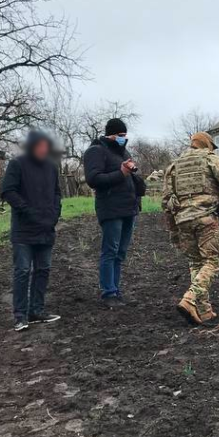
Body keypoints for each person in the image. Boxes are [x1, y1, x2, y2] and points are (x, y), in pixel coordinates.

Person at [162, 132, 219, 325]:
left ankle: (205, 311)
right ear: (207, 145)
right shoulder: (211, 159)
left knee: (196, 264)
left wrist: (173, 230)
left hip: (182, 220)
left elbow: (166, 201)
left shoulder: (174, 165)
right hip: (205, 217)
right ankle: (189, 299)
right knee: (212, 262)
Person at [0, 129, 63, 331]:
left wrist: (53, 215)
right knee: (23, 270)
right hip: (24, 230)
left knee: (43, 269)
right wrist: (28, 211)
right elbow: (8, 191)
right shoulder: (17, 164)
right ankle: (20, 315)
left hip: (46, 228)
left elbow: (57, 195)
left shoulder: (52, 167)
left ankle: (37, 310)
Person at [83, 117, 146, 305]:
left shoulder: (122, 151)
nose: (123, 138)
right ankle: (108, 292)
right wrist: (121, 173)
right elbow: (93, 179)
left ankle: (116, 290)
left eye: (125, 135)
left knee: (121, 252)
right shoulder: (96, 151)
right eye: (120, 135)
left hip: (129, 208)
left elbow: (128, 176)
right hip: (110, 208)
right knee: (110, 250)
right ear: (110, 134)